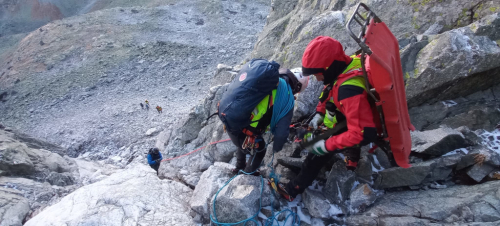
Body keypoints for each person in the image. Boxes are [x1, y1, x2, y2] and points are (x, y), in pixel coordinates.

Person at [277, 36, 377, 201]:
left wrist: (326, 145)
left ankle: (293, 189)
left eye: (318, 74)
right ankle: (350, 154)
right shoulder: (349, 63)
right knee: (309, 136)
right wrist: (319, 112)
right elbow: (330, 88)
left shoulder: (349, 92)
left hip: (352, 125)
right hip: (346, 117)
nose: (317, 79)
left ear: (330, 67)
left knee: (314, 158)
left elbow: (363, 133)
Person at [228, 68, 309, 176]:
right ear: (297, 86)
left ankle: (239, 167)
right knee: (260, 149)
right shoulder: (286, 96)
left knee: (244, 140)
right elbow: (281, 134)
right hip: (243, 127)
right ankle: (248, 174)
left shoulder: (271, 80)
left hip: (230, 117)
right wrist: (278, 146)